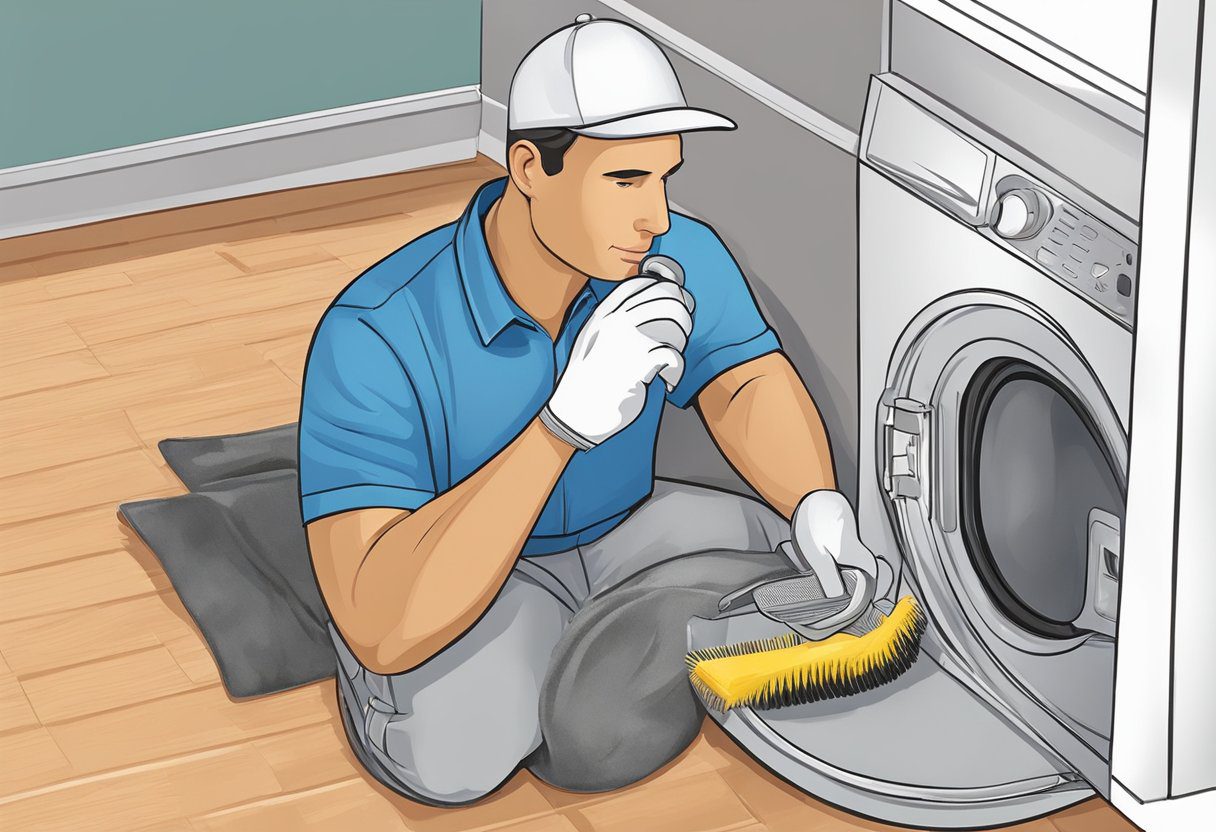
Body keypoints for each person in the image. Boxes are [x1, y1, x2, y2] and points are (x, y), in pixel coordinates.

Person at [298, 14, 837, 806]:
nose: (655, 214)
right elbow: (383, 615)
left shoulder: (677, 254)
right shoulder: (375, 330)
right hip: (479, 567)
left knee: (830, 573)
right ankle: (580, 653)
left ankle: (600, 645)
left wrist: (816, 501)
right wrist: (561, 428)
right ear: (528, 167)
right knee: (453, 759)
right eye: (624, 181)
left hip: (629, 526)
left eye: (664, 177)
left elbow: (744, 382)